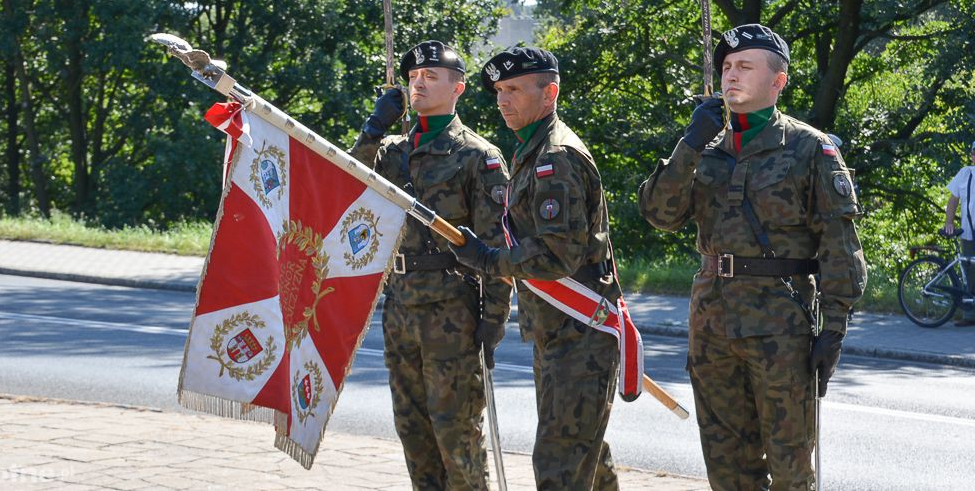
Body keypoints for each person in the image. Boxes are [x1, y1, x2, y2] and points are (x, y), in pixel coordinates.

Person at [637, 24, 867, 490]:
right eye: (726, 67)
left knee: (789, 469)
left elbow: (840, 249)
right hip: (712, 327)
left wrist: (834, 331)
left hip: (781, 329)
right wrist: (689, 144)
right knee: (728, 470)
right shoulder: (706, 147)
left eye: (745, 66)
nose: (731, 76)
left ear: (777, 81)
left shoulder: (809, 149)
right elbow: (660, 214)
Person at [447, 46, 623, 491]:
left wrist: (489, 260)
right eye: (500, 91)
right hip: (559, 331)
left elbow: (557, 255)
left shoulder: (555, 157)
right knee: (586, 460)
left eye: (515, 90)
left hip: (579, 330)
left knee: (560, 468)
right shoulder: (533, 150)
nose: (503, 100)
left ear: (550, 94)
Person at [350, 40, 512, 490]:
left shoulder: (477, 156)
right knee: (413, 433)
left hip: (452, 313)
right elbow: (348, 185)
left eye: (431, 77)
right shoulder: (392, 151)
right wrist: (373, 127)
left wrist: (493, 321)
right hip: (399, 309)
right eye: (414, 77)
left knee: (456, 437)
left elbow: (497, 248)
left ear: (458, 88)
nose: (419, 83)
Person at [943, 140, 975, 326]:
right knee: (970, 272)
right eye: (973, 153)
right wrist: (949, 222)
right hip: (968, 232)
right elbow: (953, 200)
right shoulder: (965, 173)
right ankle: (970, 316)